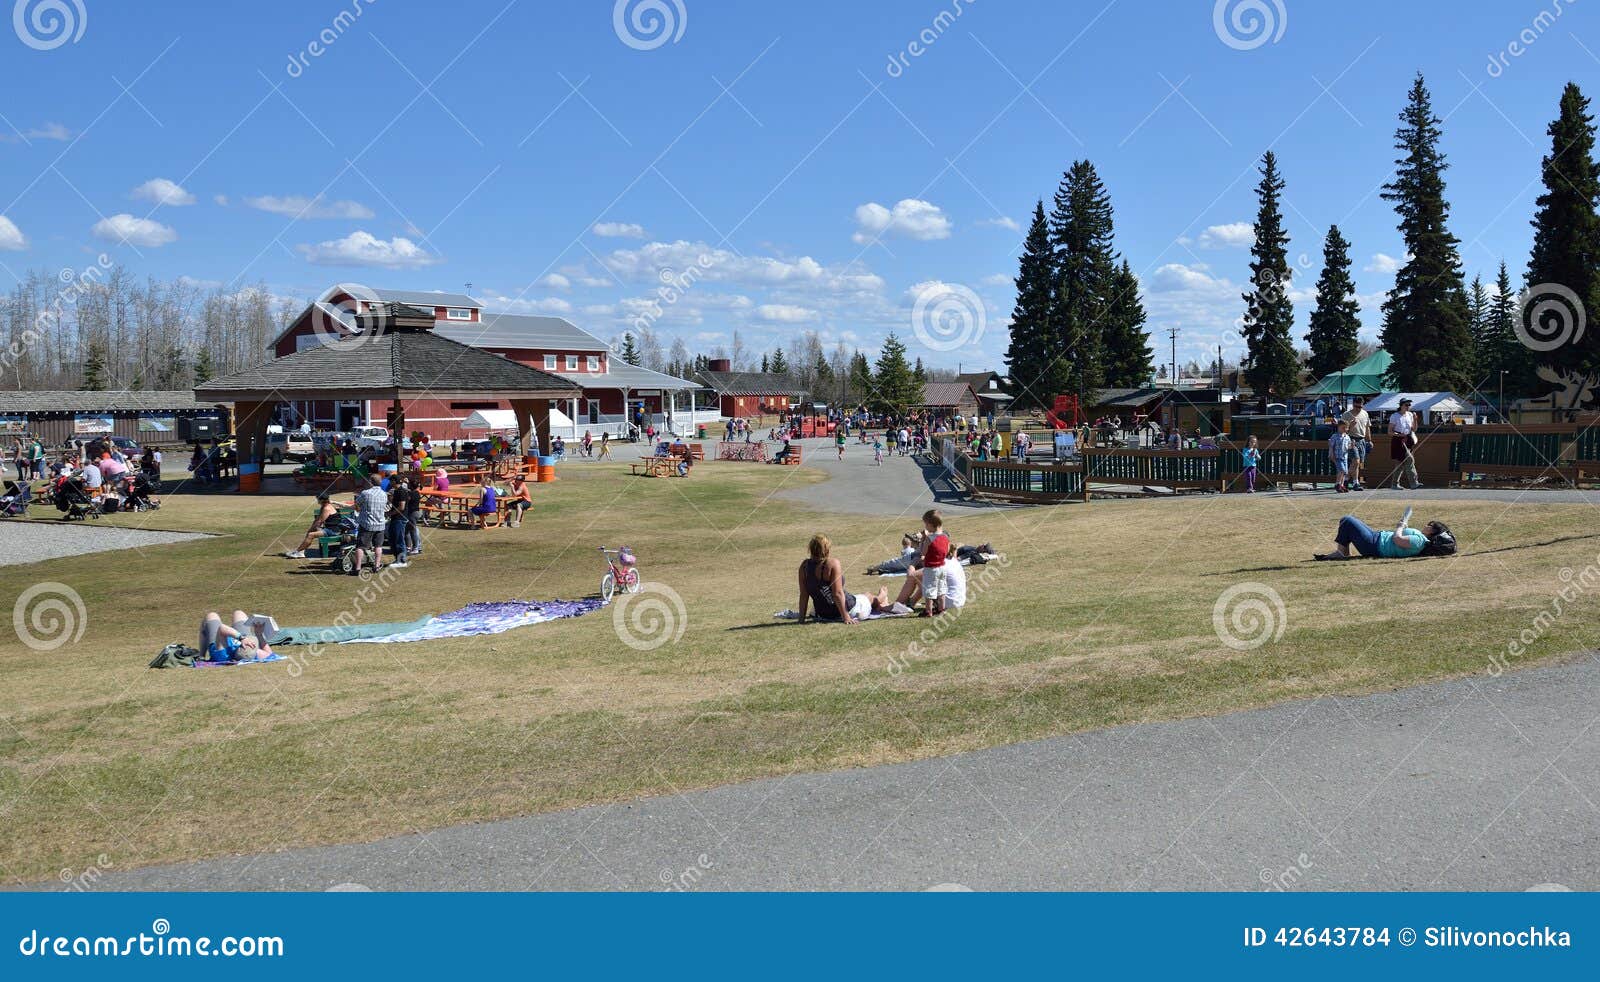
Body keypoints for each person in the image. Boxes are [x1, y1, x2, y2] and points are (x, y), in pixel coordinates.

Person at [796, 533, 889, 624]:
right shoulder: (832, 563)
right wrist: (846, 617)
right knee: (869, 596)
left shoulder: (804, 566)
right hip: (848, 610)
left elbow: (804, 595)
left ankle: (881, 600)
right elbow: (837, 593)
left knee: (862, 596)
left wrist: (801, 619)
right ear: (826, 549)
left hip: (823, 614)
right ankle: (882, 596)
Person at [1315, 515, 1455, 560]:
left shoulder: (1420, 541)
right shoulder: (1420, 540)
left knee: (1347, 520)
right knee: (1351, 521)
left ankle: (1341, 552)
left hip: (1374, 545)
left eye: (1430, 525)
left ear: (1432, 532)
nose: (1426, 525)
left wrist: (1400, 526)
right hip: (1376, 538)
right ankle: (1343, 552)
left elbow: (1397, 540)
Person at [199, 610, 278, 662]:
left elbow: (222, 628)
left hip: (219, 640)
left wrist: (241, 638)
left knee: (212, 615)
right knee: (239, 613)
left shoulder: (223, 656)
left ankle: (201, 656)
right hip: (242, 638)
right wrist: (259, 634)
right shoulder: (253, 653)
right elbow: (270, 655)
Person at [284, 492, 339, 558]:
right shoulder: (324, 506)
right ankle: (300, 551)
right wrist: (312, 528)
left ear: (321, 500)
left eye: (318, 499)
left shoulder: (326, 508)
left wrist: (311, 529)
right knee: (310, 533)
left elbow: (319, 522)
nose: (317, 500)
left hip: (333, 531)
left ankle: (299, 552)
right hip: (329, 528)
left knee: (310, 535)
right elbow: (318, 520)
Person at [353, 474, 388, 574]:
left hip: (367, 524)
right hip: (380, 524)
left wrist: (360, 509)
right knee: (378, 546)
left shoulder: (365, 493)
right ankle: (376, 566)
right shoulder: (384, 494)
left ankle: (358, 568)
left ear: (370, 482)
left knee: (360, 546)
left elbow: (357, 504)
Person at [918, 509, 950, 617]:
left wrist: (923, 539)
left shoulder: (929, 539)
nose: (925, 527)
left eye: (926, 524)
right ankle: (941, 609)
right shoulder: (945, 537)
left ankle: (928, 611)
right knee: (941, 588)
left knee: (929, 589)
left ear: (930, 524)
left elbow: (923, 552)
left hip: (931, 568)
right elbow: (946, 551)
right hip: (942, 567)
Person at [1389, 398, 1421, 489]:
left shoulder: (1410, 415)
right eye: (1406, 405)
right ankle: (1414, 483)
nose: (1408, 407)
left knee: (1400, 463)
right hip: (1398, 440)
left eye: (1409, 405)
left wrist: (1415, 419)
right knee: (1409, 459)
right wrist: (1400, 435)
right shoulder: (1395, 416)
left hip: (1408, 439)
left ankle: (1394, 484)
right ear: (1401, 405)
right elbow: (1390, 432)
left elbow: (1414, 429)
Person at [1341, 396, 1370, 490]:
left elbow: (1367, 427)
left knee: (1357, 462)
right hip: (1351, 439)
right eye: (1356, 406)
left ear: (1363, 405)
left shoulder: (1365, 414)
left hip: (1361, 440)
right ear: (1353, 405)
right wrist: (1350, 426)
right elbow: (1342, 430)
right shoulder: (1346, 415)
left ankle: (1354, 482)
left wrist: (1369, 440)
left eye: (1360, 407)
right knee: (1356, 461)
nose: (1358, 409)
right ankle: (1346, 480)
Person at [1329, 421, 1353, 493]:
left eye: (1346, 428)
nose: (1345, 429)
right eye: (1343, 428)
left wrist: (1352, 446)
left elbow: (1348, 447)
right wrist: (1331, 454)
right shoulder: (1335, 436)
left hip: (1344, 457)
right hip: (1337, 456)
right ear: (1338, 427)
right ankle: (1337, 484)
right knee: (1341, 470)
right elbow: (1331, 446)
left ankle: (1341, 485)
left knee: (1344, 472)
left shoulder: (1347, 437)